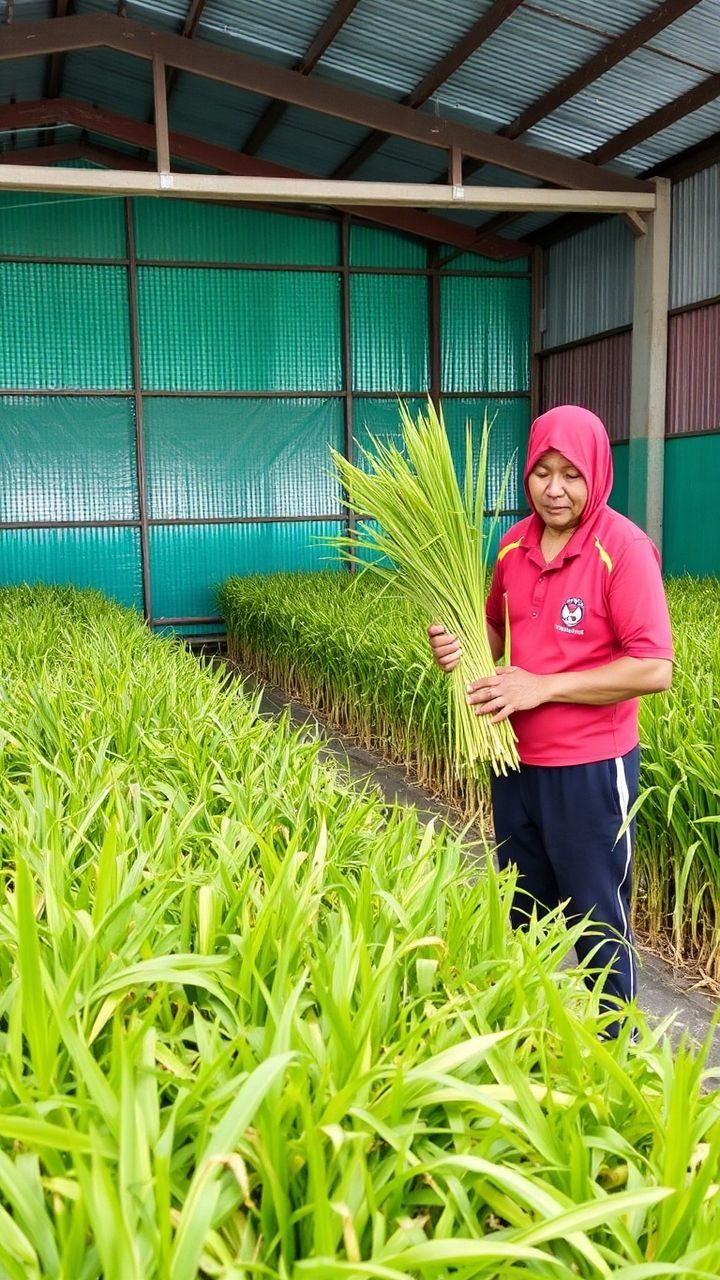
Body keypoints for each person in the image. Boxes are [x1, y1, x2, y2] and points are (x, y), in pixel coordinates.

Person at [428, 404, 673, 1020]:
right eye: (542, 472)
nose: (555, 488)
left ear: (596, 472)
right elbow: (492, 626)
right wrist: (458, 647)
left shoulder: (624, 549)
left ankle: (619, 1046)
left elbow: (653, 668)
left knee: (596, 914)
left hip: (589, 768)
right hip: (512, 761)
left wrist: (543, 687)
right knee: (523, 910)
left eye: (571, 473)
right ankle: (530, 1033)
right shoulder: (513, 545)